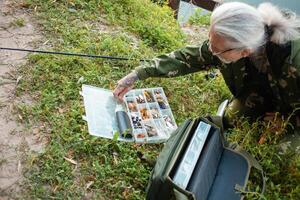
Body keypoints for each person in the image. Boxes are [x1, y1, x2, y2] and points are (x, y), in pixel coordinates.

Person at [113, 2, 300, 152]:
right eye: (210, 40)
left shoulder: (293, 61)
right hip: (263, 91)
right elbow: (187, 58)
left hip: (295, 107)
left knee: (279, 151)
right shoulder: (243, 35)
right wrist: (138, 74)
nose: (210, 50)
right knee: (232, 119)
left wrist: (288, 121)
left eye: (216, 49)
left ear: (245, 52)